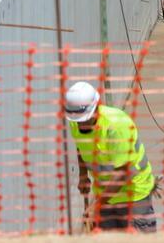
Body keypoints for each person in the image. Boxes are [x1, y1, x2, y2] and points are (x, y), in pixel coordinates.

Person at [64, 82, 157, 233]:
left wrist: (96, 206)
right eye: (78, 121)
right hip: (105, 194)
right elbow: (81, 147)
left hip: (134, 194)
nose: (81, 125)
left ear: (96, 108)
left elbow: (122, 175)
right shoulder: (76, 121)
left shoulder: (116, 126)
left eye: (85, 120)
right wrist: (82, 175)